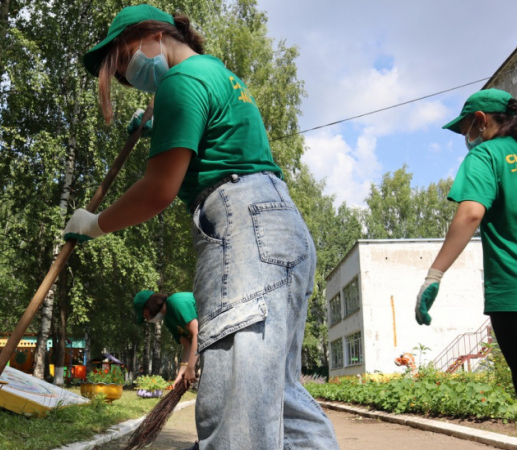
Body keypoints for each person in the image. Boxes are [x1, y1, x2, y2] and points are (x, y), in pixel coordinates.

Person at [63, 5, 338, 449]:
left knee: (237, 409)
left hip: (243, 230)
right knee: (280, 399)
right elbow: (216, 135)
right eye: (122, 78)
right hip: (282, 226)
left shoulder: (181, 81)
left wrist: (96, 223)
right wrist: (160, 123)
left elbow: (158, 190)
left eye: (125, 61)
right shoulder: (218, 74)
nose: (129, 78)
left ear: (154, 35)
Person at [416, 88, 517, 446]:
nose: (467, 138)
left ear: (481, 120)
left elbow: (471, 213)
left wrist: (434, 275)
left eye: (466, 130)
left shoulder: (487, 155)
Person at [133, 290, 198, 389]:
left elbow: (198, 334)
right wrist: (181, 374)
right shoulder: (168, 321)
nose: (146, 319)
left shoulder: (177, 302)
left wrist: (191, 367)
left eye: (144, 315)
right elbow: (187, 345)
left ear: (150, 305)